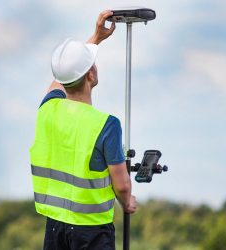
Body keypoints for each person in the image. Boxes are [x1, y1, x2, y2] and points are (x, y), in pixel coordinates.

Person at [29, 10, 137, 250]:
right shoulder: (107, 124)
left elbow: (61, 78)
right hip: (92, 232)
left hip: (55, 227)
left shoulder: (47, 109)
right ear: (91, 74)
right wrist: (127, 202)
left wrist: (95, 39)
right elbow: (122, 185)